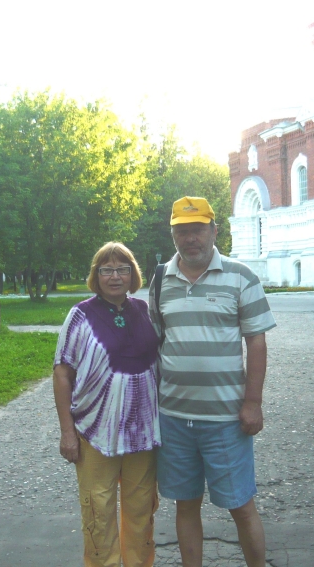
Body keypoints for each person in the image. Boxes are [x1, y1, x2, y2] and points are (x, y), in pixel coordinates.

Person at [149, 196, 277, 567]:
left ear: (214, 230)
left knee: (242, 507)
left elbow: (256, 342)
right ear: (173, 235)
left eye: (198, 229)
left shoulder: (241, 276)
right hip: (173, 418)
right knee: (185, 505)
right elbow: (155, 343)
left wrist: (253, 403)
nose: (190, 238)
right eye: (182, 231)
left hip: (226, 420)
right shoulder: (160, 280)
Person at [53, 242, 161, 567]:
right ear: (96, 275)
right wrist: (67, 433)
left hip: (141, 433)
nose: (115, 276)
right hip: (95, 431)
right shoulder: (80, 315)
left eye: (122, 269)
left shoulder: (144, 311)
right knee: (98, 511)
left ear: (133, 275)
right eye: (107, 270)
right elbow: (62, 374)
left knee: (141, 509)